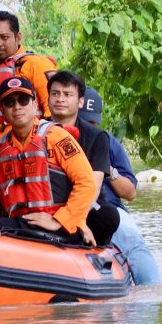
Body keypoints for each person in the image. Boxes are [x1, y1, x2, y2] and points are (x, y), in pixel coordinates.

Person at [0, 76, 100, 246]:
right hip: (20, 223)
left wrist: (59, 220)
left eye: (23, 100)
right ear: (3, 111)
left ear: (35, 105)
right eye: (10, 102)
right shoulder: (0, 148)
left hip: (55, 224)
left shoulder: (56, 137)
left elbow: (86, 182)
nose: (17, 107)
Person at [80, 87, 162, 285]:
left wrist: (106, 168)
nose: (89, 127)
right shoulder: (52, 137)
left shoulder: (107, 142)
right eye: (84, 121)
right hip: (70, 205)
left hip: (107, 207)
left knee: (131, 239)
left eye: (93, 123)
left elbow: (130, 193)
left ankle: (151, 289)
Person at [46, 71, 121, 245]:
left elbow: (93, 187)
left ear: (80, 101)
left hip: (84, 205)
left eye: (67, 94)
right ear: (48, 98)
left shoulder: (96, 136)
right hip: (46, 200)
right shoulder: (36, 130)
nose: (60, 99)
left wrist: (67, 219)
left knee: (108, 216)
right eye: (55, 94)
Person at [0, 11, 57, 143]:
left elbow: (55, 112)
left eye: (4, 37)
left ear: (18, 37)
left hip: (28, 150)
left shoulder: (37, 64)